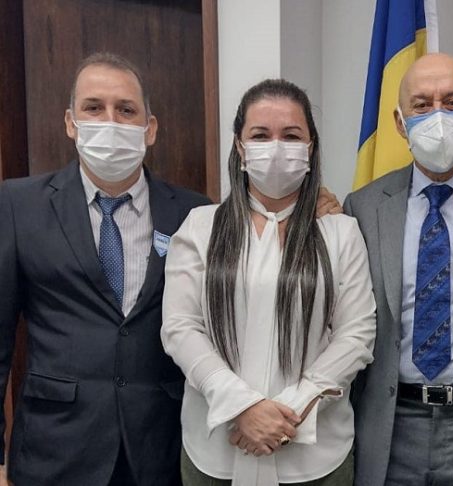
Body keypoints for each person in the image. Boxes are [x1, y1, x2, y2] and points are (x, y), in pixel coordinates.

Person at [0, 52, 211, 485]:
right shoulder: (19, 205)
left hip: (161, 451)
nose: (110, 121)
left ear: (150, 128)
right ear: (70, 122)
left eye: (126, 110)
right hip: (54, 451)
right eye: (94, 108)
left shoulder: (194, 212)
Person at [161, 78, 376, 486]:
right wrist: (241, 407)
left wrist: (289, 411)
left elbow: (357, 333)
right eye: (260, 135)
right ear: (240, 148)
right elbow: (181, 328)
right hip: (216, 453)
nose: (276, 147)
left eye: (291, 135)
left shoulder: (341, 233)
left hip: (316, 458)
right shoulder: (200, 228)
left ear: (311, 147)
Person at [344, 53, 453, 486]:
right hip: (390, 425)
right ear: (400, 122)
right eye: (421, 105)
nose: (437, 116)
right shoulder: (364, 207)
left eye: (452, 102)